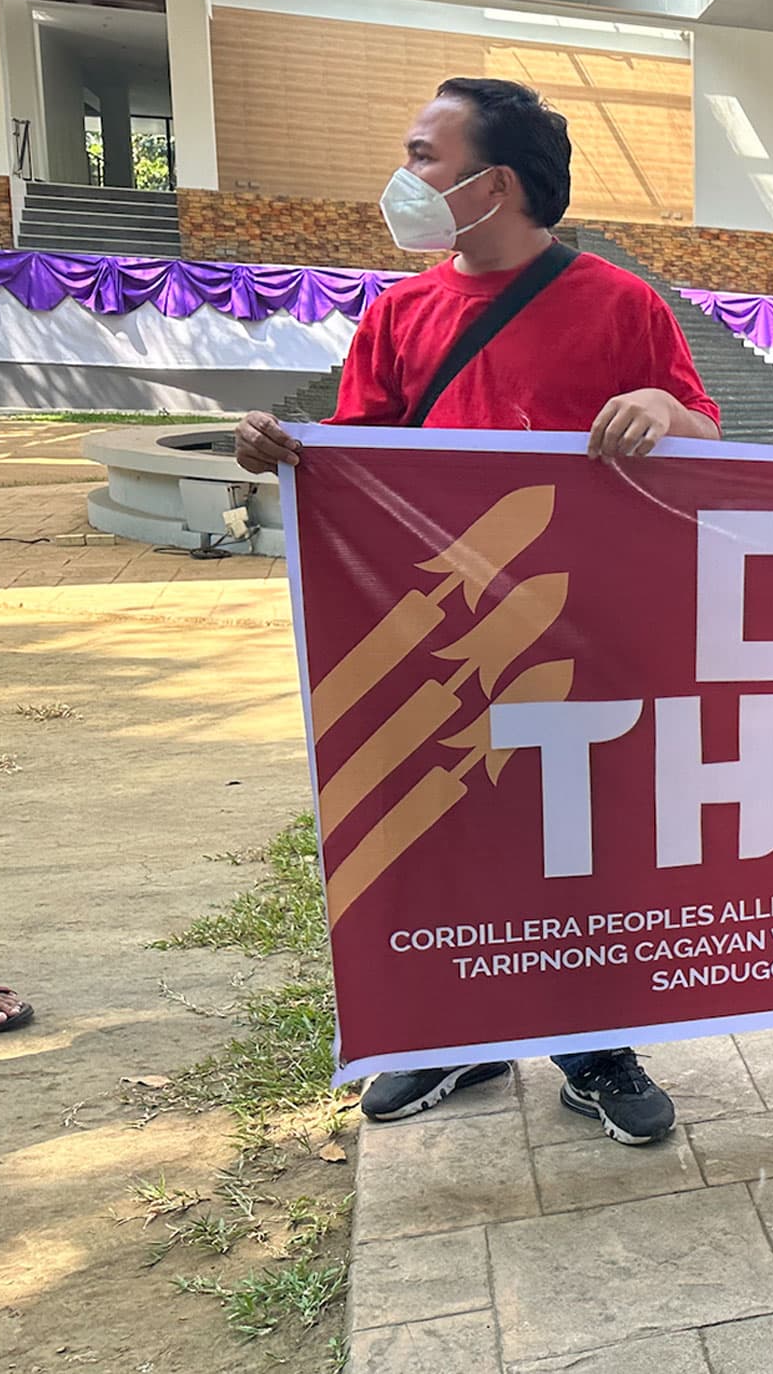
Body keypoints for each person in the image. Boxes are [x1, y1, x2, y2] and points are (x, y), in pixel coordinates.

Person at [234, 77, 719, 1146]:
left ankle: (594, 1044)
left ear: (492, 183)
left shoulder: (620, 304)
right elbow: (354, 460)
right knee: (451, 834)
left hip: (587, 638)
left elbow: (705, 430)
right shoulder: (399, 313)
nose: (404, 175)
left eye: (424, 154)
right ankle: (458, 1030)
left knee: (585, 845)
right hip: (440, 639)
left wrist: (662, 405)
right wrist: (281, 449)